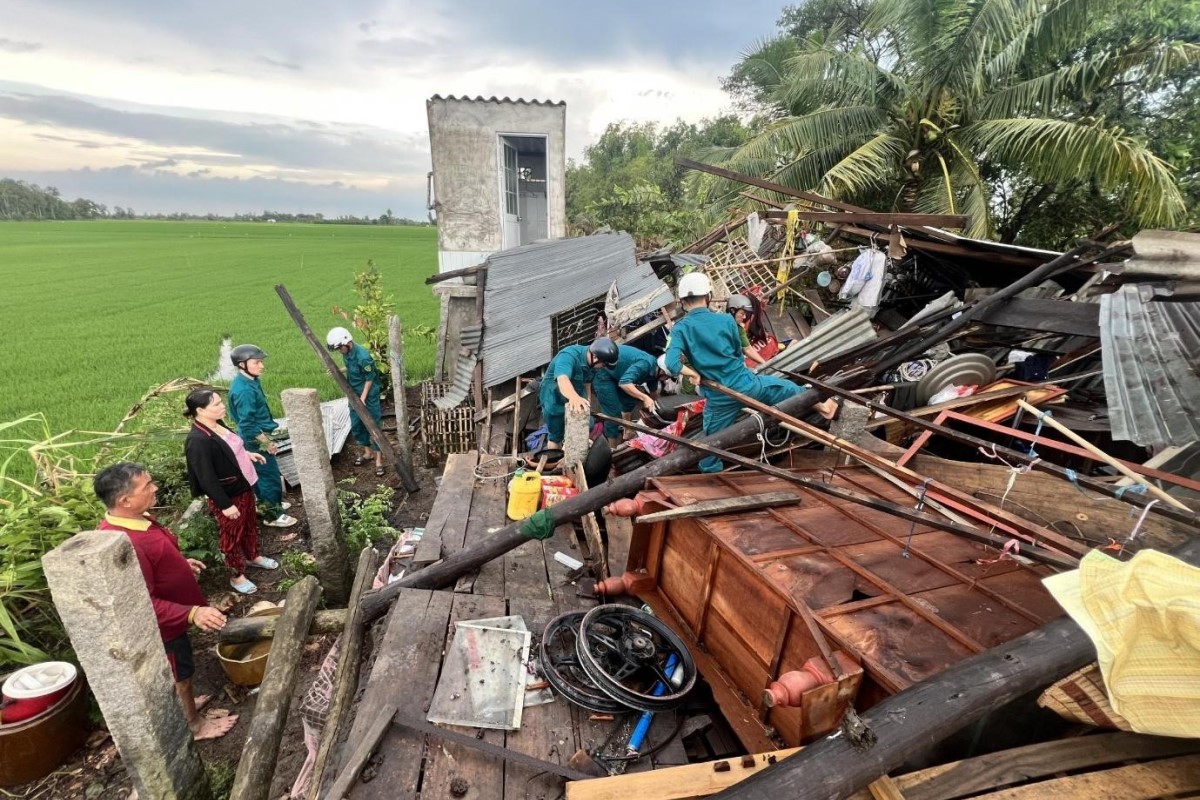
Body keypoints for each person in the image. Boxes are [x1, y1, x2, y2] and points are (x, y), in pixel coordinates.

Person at [93, 462, 239, 740]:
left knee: (182, 667)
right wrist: (192, 613)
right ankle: (194, 725)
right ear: (125, 500)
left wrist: (180, 564)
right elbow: (140, 603)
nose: (155, 487)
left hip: (174, 616)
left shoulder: (139, 520)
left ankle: (184, 705)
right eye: (147, 485)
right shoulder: (125, 545)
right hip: (164, 627)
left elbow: (156, 561)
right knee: (179, 673)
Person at [663, 272, 837, 473]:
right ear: (708, 295)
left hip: (720, 399)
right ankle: (824, 408)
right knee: (789, 388)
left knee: (710, 451)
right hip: (747, 385)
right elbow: (739, 353)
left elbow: (671, 364)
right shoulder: (726, 321)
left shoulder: (680, 329)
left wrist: (693, 374)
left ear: (683, 301)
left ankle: (713, 480)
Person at [184, 389, 281, 595]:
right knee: (231, 535)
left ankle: (252, 556)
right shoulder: (198, 440)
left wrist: (248, 454)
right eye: (216, 404)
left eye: (221, 402)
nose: (223, 406)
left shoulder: (217, 424)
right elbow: (205, 477)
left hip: (244, 485)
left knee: (249, 524)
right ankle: (236, 575)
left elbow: (229, 449)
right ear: (200, 410)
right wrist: (225, 504)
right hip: (229, 494)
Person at [227, 344, 297, 528]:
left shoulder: (249, 380)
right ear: (242, 364)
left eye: (261, 361)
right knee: (269, 476)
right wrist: (266, 443)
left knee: (260, 475)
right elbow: (247, 424)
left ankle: (270, 504)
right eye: (256, 362)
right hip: (255, 438)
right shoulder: (244, 390)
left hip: (257, 434)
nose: (262, 366)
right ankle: (273, 515)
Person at [538, 337, 618, 450]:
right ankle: (558, 454)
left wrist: (587, 402)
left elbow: (587, 382)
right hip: (554, 398)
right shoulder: (568, 356)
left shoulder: (592, 364)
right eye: (604, 365)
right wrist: (574, 397)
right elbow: (562, 379)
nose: (603, 368)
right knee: (556, 435)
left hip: (576, 392)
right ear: (595, 357)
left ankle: (571, 448)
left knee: (587, 424)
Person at [326, 326, 385, 477]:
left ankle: (379, 460)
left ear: (347, 342)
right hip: (354, 394)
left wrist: (363, 398)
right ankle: (368, 453)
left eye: (339, 348)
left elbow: (370, 378)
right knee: (357, 424)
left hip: (368, 395)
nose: (339, 351)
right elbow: (350, 367)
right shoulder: (347, 352)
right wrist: (337, 370)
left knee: (374, 424)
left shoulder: (363, 357)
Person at [593, 344, 661, 445]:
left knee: (629, 400)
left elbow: (654, 395)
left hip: (620, 372)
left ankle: (627, 431)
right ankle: (612, 447)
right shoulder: (645, 365)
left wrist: (657, 412)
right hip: (603, 372)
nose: (668, 379)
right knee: (612, 413)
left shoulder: (655, 371)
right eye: (668, 376)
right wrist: (645, 398)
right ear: (663, 372)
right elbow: (625, 383)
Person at [726, 294, 768, 368]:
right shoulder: (720, 324)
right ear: (733, 311)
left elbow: (748, 349)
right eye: (742, 313)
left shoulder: (739, 329)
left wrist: (766, 365)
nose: (744, 317)